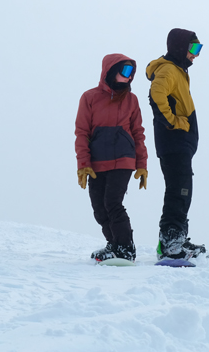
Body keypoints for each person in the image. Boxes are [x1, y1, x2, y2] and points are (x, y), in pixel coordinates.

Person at [74, 53, 149, 263]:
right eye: (126, 71)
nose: (130, 76)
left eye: (132, 72)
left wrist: (142, 165)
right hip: (98, 161)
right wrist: (83, 165)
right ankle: (114, 244)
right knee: (99, 207)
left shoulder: (131, 100)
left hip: (123, 159)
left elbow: (138, 133)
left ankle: (125, 247)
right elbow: (82, 133)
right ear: (110, 71)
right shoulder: (89, 98)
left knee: (113, 202)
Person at [146, 28, 206, 261]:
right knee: (179, 191)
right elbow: (156, 94)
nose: (196, 55)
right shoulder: (169, 70)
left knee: (181, 190)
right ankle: (171, 242)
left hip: (178, 144)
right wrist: (173, 122)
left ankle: (175, 238)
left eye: (199, 49)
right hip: (174, 142)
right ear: (180, 47)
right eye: (193, 49)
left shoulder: (176, 70)